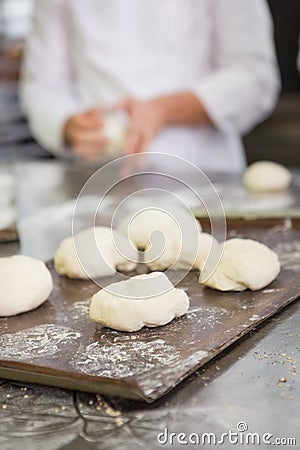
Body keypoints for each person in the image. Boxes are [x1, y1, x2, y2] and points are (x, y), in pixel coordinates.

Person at [20, 0, 280, 173]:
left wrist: (164, 110)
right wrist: (68, 125)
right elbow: (42, 88)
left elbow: (255, 77)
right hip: (98, 184)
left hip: (203, 177)